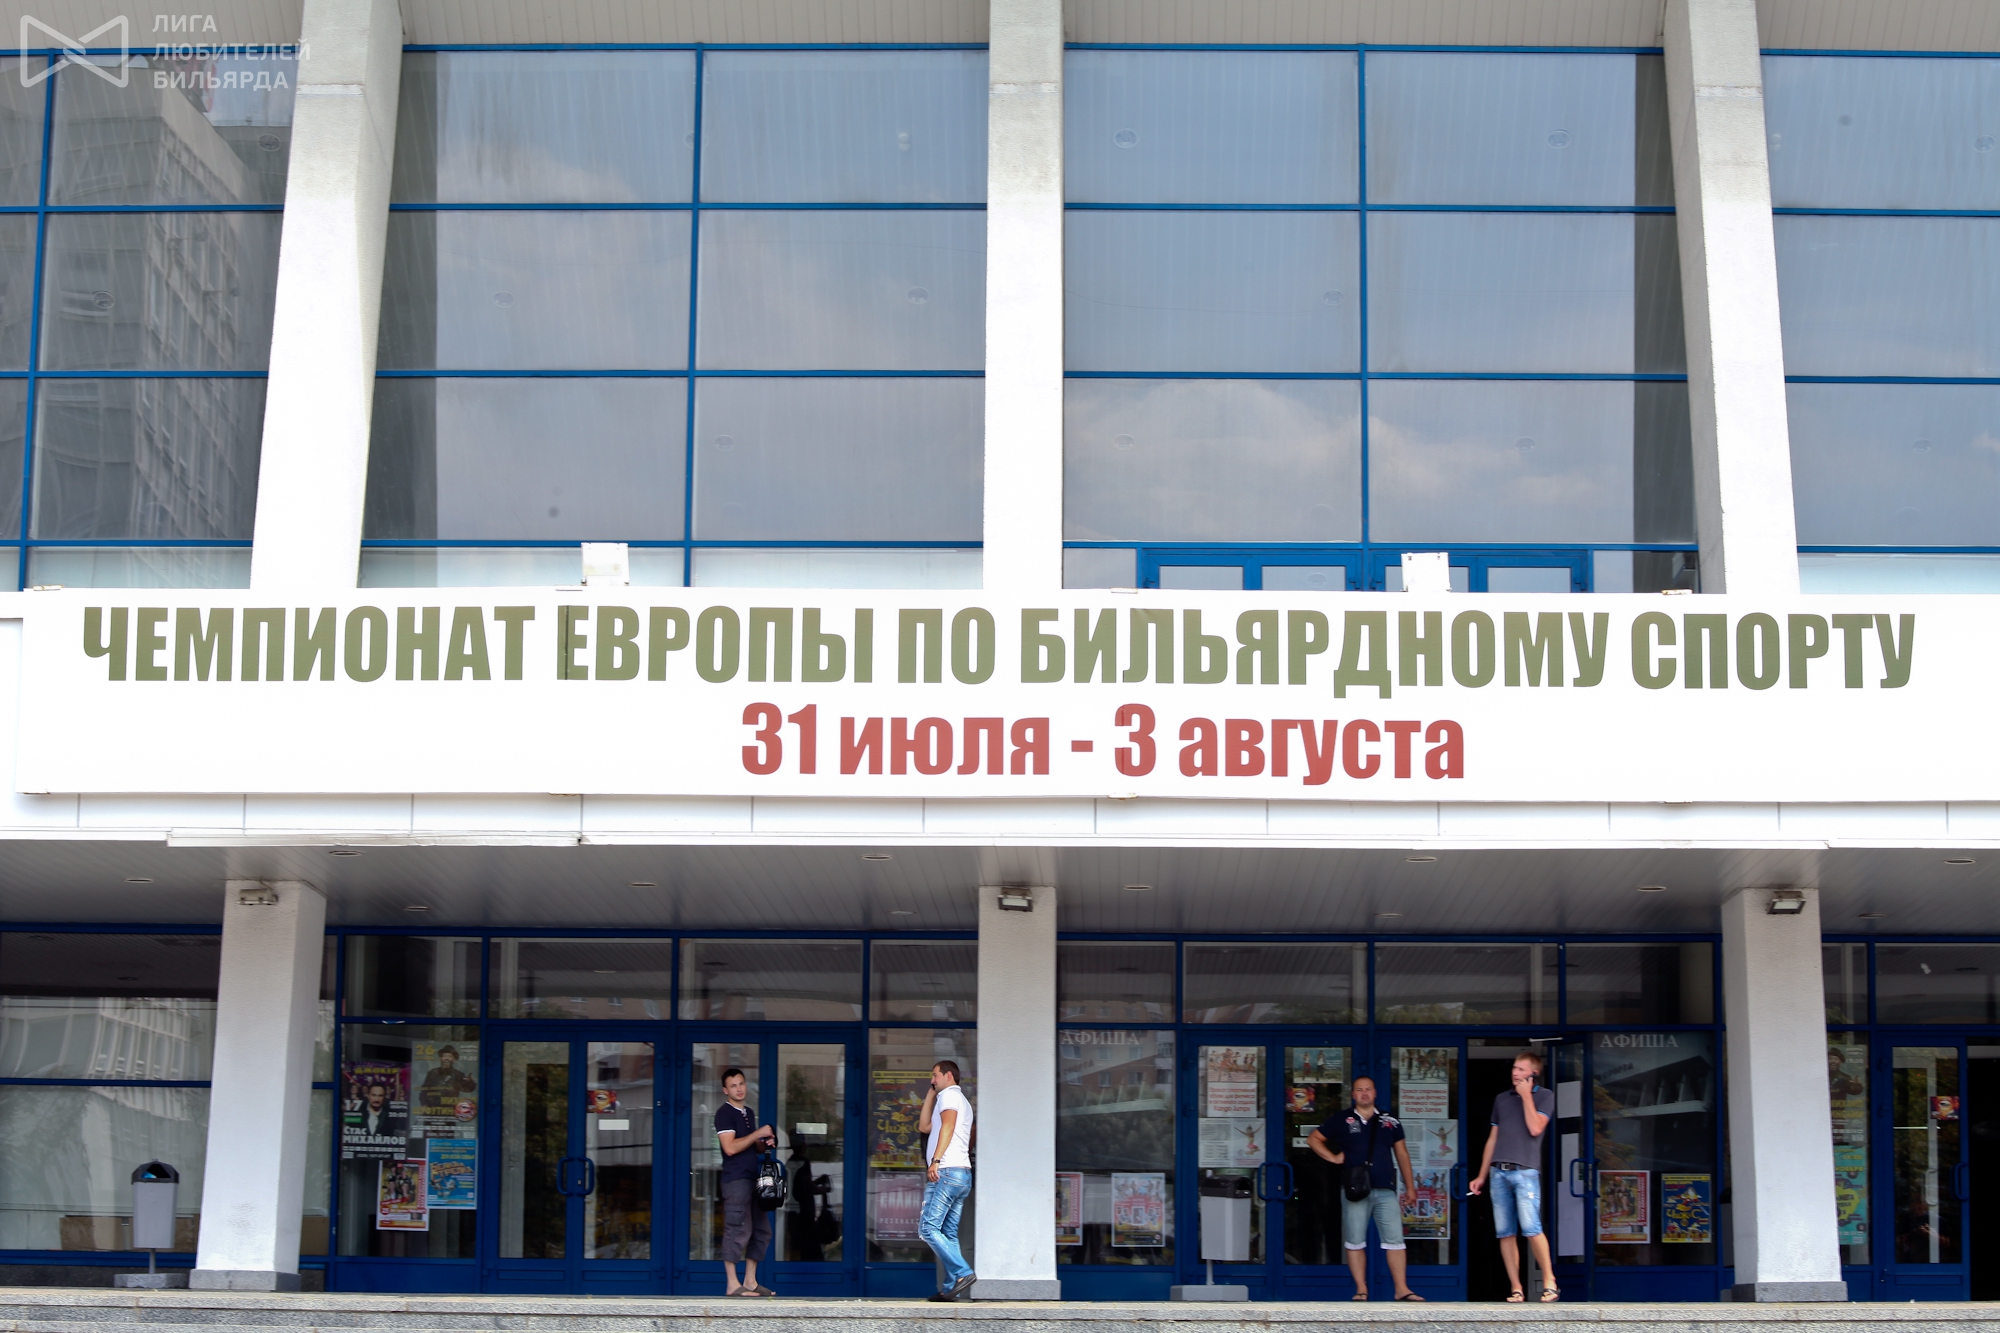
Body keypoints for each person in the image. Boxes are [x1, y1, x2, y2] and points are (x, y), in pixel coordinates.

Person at [1307, 1074, 1423, 1301]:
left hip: (1386, 1190)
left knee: (1395, 1240)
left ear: (1375, 1093)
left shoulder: (1390, 1121)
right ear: (1353, 1094)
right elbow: (1313, 1139)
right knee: (1355, 1240)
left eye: (1368, 1089)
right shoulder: (1341, 1119)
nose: (1364, 1093)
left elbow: (1402, 1154)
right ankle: (1361, 1290)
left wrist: (1410, 1187)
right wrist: (1333, 1157)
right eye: (1359, 1090)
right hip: (1356, 1190)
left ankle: (1402, 1290)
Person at [1468, 1050, 1558, 1303]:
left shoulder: (1545, 1096)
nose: (1515, 1072)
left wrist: (1526, 1096)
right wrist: (1481, 1175)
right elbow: (1492, 1139)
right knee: (1505, 1232)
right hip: (1499, 1171)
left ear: (1533, 1073)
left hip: (1525, 1171)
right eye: (1514, 1068)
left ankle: (1549, 1281)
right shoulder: (1501, 1099)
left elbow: (1536, 1128)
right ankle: (1516, 1287)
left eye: (1521, 1069)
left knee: (1531, 1228)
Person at [916, 1059, 976, 1301]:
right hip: (961, 1174)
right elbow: (924, 1127)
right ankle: (951, 1288)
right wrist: (931, 1094)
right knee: (948, 1233)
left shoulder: (949, 1096)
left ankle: (963, 1272)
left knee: (928, 1228)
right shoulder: (956, 1099)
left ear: (948, 1075)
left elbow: (948, 1127)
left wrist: (936, 1160)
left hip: (947, 1171)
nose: (932, 1080)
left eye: (935, 1076)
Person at [714, 1067, 776, 1297]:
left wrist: (764, 1142)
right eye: (733, 1086)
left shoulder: (747, 1112)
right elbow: (730, 1148)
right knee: (737, 1227)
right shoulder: (724, 1113)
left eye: (741, 1084)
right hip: (735, 1179)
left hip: (752, 1178)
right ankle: (732, 1284)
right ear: (725, 1090)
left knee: (761, 1229)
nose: (739, 1089)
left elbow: (750, 1145)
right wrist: (757, 1133)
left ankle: (750, 1281)